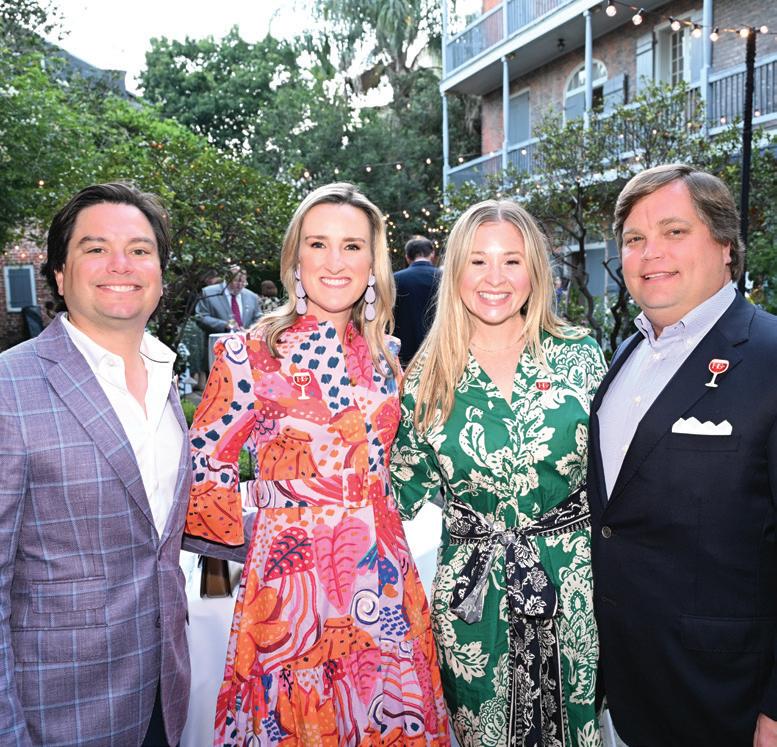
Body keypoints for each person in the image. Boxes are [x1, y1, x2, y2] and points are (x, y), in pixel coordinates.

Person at [185, 182, 450, 745]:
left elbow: (396, 461)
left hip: (383, 575)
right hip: (294, 588)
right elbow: (204, 465)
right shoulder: (249, 352)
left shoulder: (385, 357)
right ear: (295, 259)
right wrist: (249, 537)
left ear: (373, 264)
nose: (335, 262)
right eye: (318, 244)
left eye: (352, 246)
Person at [392, 200, 606, 746]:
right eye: (478, 261)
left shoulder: (580, 355)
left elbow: (620, 479)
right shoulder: (425, 377)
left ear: (534, 270)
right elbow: (392, 497)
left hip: (574, 591)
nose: (495, 278)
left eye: (511, 261)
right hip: (474, 605)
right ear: (455, 271)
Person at [589, 163, 777, 747]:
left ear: (725, 245)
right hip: (624, 688)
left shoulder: (770, 356)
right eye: (634, 239)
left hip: (725, 700)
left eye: (674, 231)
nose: (651, 253)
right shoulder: (624, 355)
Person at [0, 182, 191, 746]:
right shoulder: (9, 388)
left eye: (139, 250)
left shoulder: (163, 378)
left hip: (164, 694)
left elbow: (158, 530)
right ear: (60, 275)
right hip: (58, 712)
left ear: (159, 274)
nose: (120, 265)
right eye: (96, 248)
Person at [393, 235, 440, 366]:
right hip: (439, 348)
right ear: (432, 254)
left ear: (407, 257)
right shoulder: (445, 277)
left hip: (405, 351)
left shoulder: (395, 279)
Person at [194, 264, 261, 333]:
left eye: (243, 282)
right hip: (218, 337)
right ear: (227, 280)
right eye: (237, 281)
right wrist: (224, 325)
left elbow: (259, 319)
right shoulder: (209, 293)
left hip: (245, 338)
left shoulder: (251, 296)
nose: (240, 285)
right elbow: (201, 317)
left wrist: (251, 330)